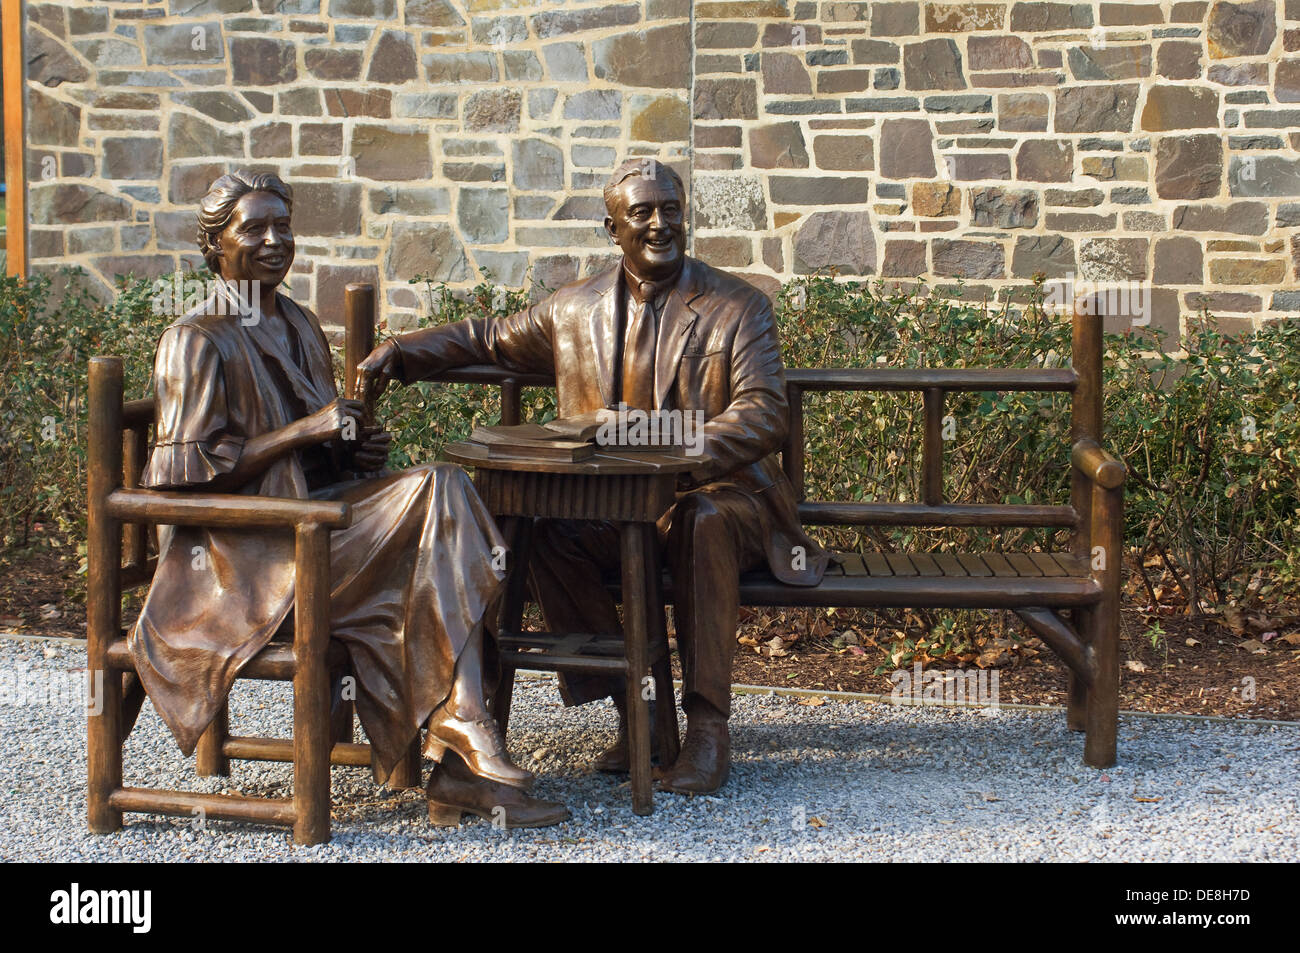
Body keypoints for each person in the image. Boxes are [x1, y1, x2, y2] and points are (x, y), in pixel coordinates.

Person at [359, 157, 829, 794]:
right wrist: (404, 351)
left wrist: (673, 449)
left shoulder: (737, 306)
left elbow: (764, 412)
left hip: (721, 496)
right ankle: (640, 711)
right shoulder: (574, 309)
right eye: (642, 214)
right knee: (543, 528)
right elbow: (490, 338)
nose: (660, 224)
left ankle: (708, 731)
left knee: (703, 521)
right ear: (614, 230)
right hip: (617, 506)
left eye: (671, 210)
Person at [129, 170, 568, 828]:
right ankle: (463, 742)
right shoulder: (195, 340)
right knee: (438, 507)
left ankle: (461, 749)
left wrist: (347, 450)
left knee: (445, 493)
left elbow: (314, 453)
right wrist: (307, 429)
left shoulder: (300, 325)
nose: (275, 240)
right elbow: (183, 477)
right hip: (247, 562)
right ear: (216, 245)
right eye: (254, 229)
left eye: (284, 226)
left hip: (320, 526)